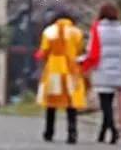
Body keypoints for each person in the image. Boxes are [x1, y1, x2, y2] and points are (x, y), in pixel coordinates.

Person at [82, 2, 121, 144]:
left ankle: (113, 131)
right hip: (117, 71)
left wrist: (83, 63)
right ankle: (102, 134)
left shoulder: (97, 29)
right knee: (109, 102)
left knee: (105, 104)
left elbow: (90, 50)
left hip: (101, 70)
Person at [35, 9, 87, 143]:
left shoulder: (49, 31)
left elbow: (44, 51)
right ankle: (72, 132)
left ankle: (49, 132)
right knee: (71, 102)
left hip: (54, 69)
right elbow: (80, 50)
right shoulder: (76, 32)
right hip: (71, 69)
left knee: (51, 102)